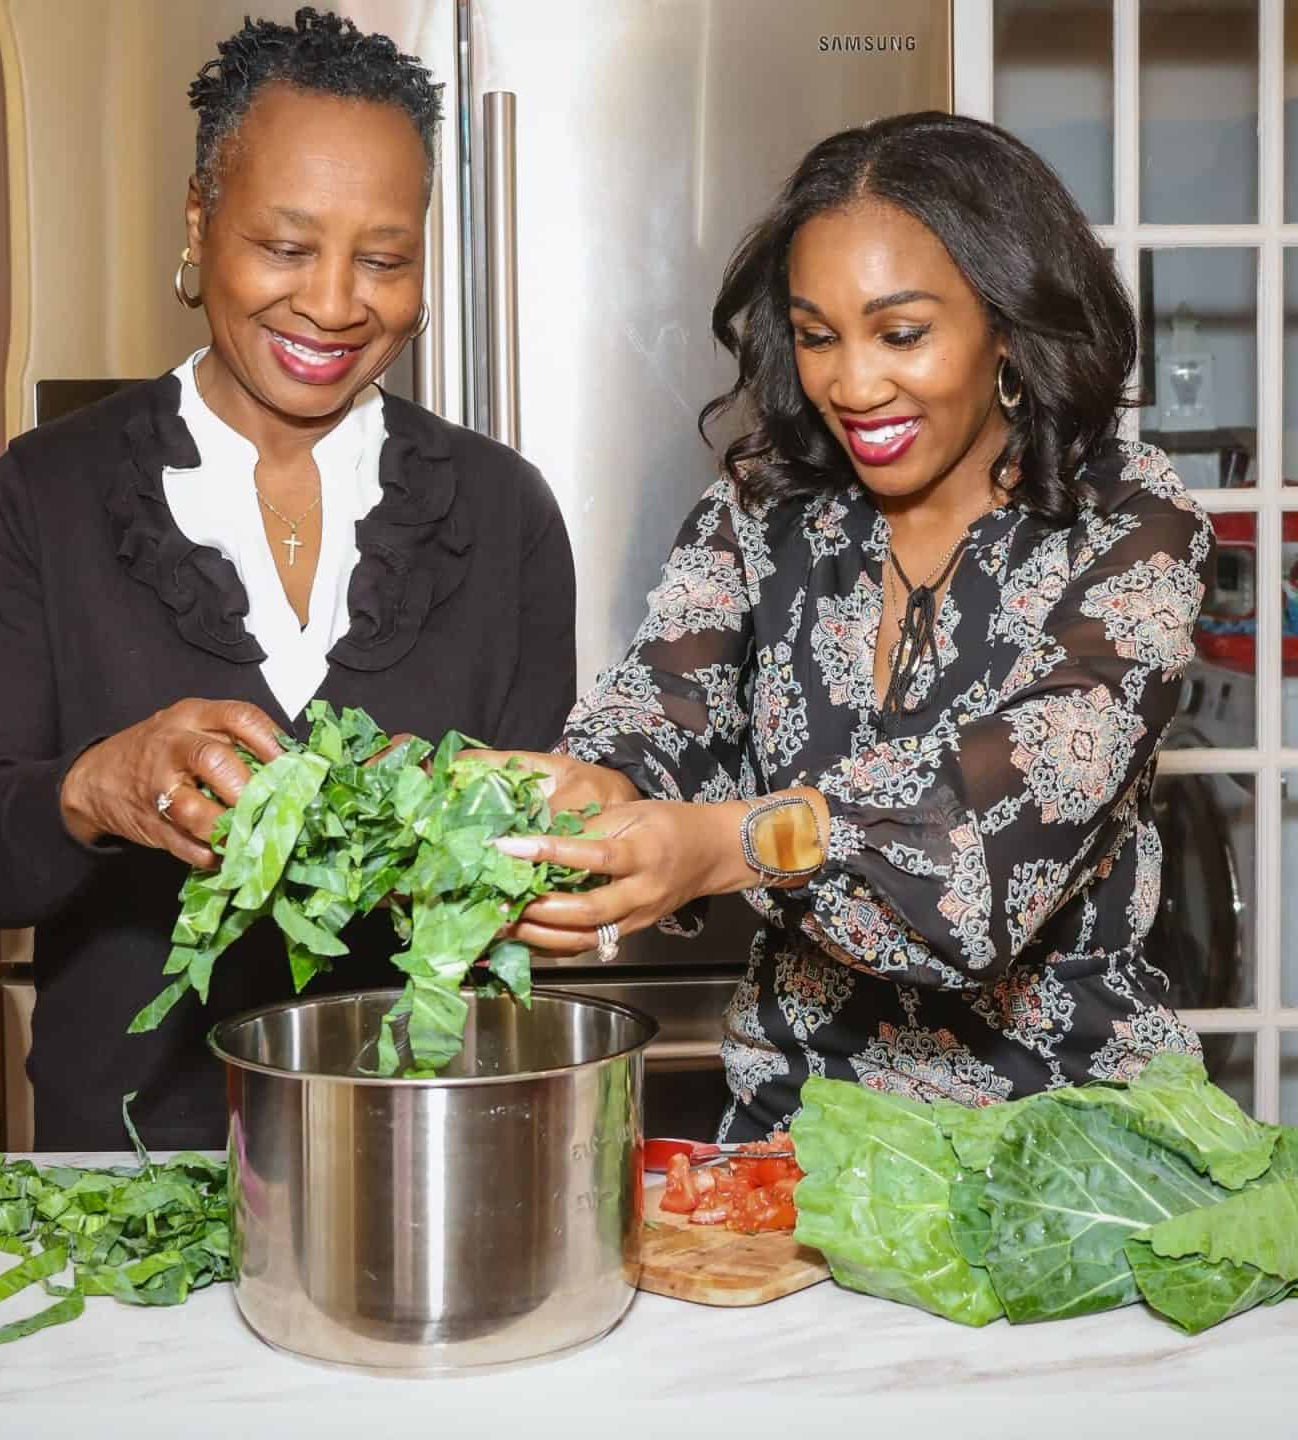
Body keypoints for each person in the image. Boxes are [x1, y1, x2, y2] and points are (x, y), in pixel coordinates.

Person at [0, 9, 575, 1150]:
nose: (331, 303)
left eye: (384, 259)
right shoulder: (48, 494)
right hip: (125, 1168)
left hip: (421, 1169)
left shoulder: (500, 511)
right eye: (285, 245)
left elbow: (532, 872)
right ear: (200, 220)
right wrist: (93, 787)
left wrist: (523, 848)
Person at [487, 112, 1212, 1141]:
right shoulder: (761, 511)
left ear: (1005, 323)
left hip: (1071, 1156)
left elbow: (987, 854)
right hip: (794, 1144)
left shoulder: (1133, 523)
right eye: (818, 336)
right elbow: (659, 708)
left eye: (901, 333)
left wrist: (723, 844)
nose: (852, 385)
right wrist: (583, 790)